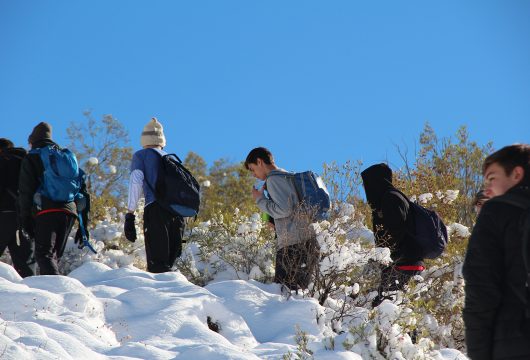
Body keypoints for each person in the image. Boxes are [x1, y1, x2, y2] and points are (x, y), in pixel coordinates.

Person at [463, 144, 530, 360]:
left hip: (515, 341)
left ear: (517, 174)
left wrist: (479, 354)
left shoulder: (497, 211)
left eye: (492, 178)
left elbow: (481, 289)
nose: (488, 189)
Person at [17, 122, 87, 275]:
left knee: (44, 255)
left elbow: (26, 191)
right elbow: (82, 189)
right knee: (54, 256)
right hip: (69, 211)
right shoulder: (64, 156)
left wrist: (25, 219)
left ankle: (56, 290)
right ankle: (53, 290)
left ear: (32, 141)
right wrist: (84, 225)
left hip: (47, 209)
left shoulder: (33, 157)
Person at [244, 147, 318, 291]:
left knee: (284, 296)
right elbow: (288, 209)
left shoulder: (274, 179)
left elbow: (284, 209)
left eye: (252, 169)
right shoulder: (288, 176)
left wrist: (259, 199)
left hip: (293, 246)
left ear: (259, 162)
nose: (253, 174)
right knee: (297, 295)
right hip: (308, 242)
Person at [124, 117, 185, 273]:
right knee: (169, 266)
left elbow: (136, 182)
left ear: (144, 140)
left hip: (156, 209)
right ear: (162, 140)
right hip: (177, 214)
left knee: (157, 264)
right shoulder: (171, 158)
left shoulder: (141, 156)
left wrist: (130, 215)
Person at [361, 163, 424, 307]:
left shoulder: (390, 198)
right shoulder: (389, 198)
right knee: (394, 310)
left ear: (376, 182)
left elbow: (396, 230)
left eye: (367, 184)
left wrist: (385, 254)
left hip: (403, 265)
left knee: (390, 312)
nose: (365, 189)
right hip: (403, 263)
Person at [0, 138, 35, 277]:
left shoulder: (3, 161)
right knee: (25, 262)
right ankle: (31, 294)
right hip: (25, 217)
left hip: (3, 214)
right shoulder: (27, 161)